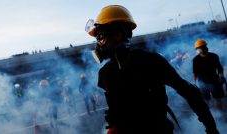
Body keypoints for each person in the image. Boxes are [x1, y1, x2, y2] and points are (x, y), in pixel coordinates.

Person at [85, 5, 219, 134]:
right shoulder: (105, 73)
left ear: (117, 35)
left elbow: (190, 93)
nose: (98, 43)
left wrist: (211, 128)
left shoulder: (150, 62)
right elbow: (115, 110)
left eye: (100, 37)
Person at [193, 39, 226, 111]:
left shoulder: (214, 56)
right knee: (206, 102)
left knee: (218, 100)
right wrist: (195, 84)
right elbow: (195, 73)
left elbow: (220, 68)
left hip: (215, 82)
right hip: (203, 84)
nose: (204, 48)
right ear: (198, 49)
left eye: (204, 46)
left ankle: (220, 116)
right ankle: (208, 117)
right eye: (201, 47)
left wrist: (221, 76)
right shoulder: (196, 60)